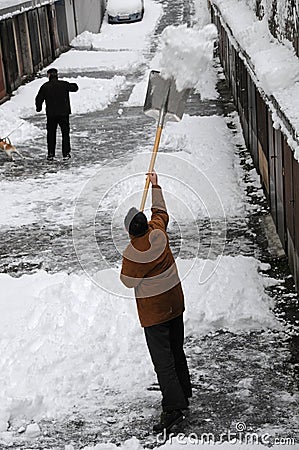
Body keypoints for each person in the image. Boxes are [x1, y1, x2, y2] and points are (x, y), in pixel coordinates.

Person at [120, 171, 192, 433]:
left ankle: (173, 408)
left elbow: (127, 280)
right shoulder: (159, 232)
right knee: (177, 350)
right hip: (175, 303)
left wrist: (131, 246)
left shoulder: (133, 253)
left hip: (155, 313)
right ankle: (183, 390)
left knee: (163, 361)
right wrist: (155, 185)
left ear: (130, 232)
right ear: (146, 224)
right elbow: (160, 212)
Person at [35, 68, 79, 161]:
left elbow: (39, 98)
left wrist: (38, 108)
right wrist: (72, 85)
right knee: (65, 134)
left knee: (51, 134)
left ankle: (51, 154)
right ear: (56, 75)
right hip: (64, 113)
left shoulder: (45, 86)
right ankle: (66, 153)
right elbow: (75, 88)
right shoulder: (63, 84)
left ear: (49, 75)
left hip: (51, 115)